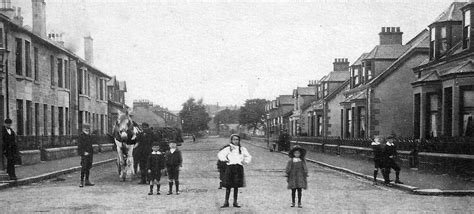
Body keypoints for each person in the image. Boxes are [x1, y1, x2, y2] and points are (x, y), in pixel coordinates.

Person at [217, 134, 252, 208]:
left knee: (236, 186)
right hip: (230, 168)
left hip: (238, 168)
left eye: (237, 139)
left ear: (239, 140)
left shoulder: (242, 149)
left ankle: (235, 202)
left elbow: (248, 156)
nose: (236, 141)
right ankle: (226, 202)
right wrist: (225, 160)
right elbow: (220, 154)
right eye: (234, 139)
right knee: (228, 186)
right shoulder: (228, 149)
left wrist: (245, 161)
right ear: (231, 140)